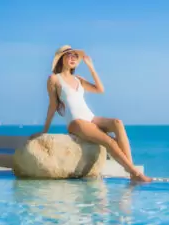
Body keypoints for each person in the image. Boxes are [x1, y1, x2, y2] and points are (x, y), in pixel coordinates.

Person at [30, 45, 152, 183]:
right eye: (69, 55)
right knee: (109, 141)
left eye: (75, 56)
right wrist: (44, 131)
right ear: (61, 59)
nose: (72, 58)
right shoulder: (54, 79)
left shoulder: (78, 79)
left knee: (117, 122)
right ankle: (134, 173)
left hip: (90, 118)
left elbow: (100, 89)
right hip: (76, 122)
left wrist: (91, 68)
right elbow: (52, 106)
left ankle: (131, 171)